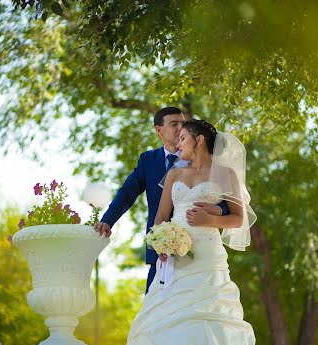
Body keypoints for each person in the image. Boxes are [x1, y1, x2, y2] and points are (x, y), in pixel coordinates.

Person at [114, 119, 270, 345]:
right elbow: (160, 218)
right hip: (175, 258)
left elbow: (237, 219)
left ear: (199, 140)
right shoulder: (174, 175)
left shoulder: (225, 174)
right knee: (166, 320)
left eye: (183, 138)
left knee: (210, 320)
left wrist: (211, 220)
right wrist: (162, 244)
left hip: (208, 256)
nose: (178, 143)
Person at [94, 107, 228, 292]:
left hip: (202, 248)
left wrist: (219, 211)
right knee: (157, 309)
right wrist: (107, 220)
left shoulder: (202, 161)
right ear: (159, 130)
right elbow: (127, 193)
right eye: (174, 124)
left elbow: (224, 199)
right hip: (162, 250)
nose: (180, 127)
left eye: (182, 123)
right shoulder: (148, 160)